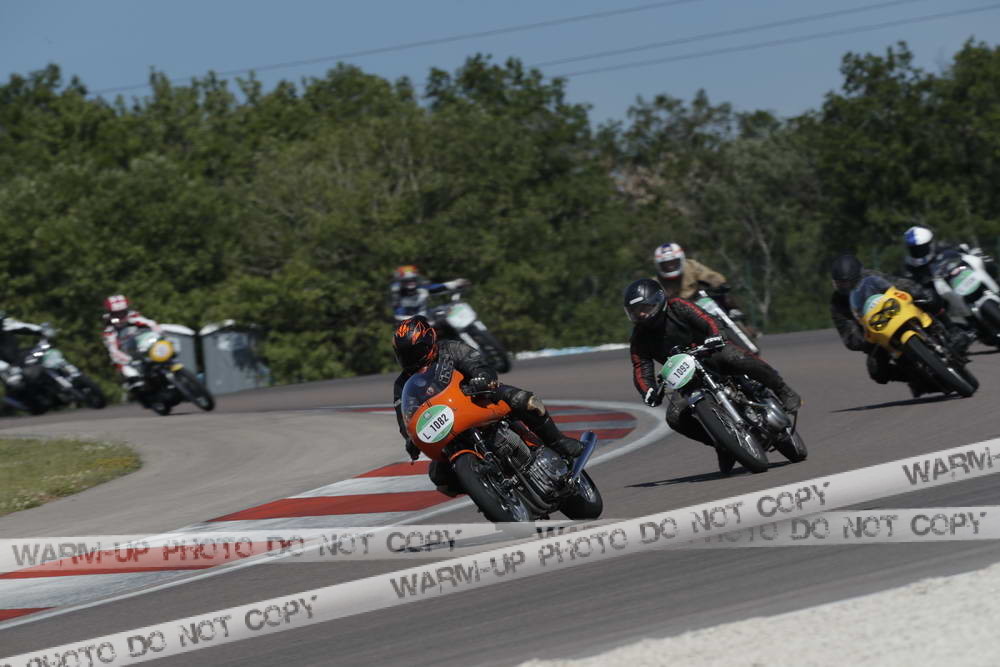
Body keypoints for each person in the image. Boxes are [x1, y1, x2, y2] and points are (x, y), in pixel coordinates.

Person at [624, 278, 800, 474]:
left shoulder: (678, 306)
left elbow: (707, 319)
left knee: (738, 358)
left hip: (710, 353)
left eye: (645, 308)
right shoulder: (638, 338)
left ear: (658, 300)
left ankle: (782, 390)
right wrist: (648, 391)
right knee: (675, 417)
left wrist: (715, 335)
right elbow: (640, 367)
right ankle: (721, 443)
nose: (641, 314)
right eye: (635, 311)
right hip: (686, 377)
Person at [392, 315, 582, 495]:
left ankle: (558, 441)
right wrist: (410, 438)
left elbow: (476, 363)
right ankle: (489, 491)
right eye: (404, 355)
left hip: (477, 397)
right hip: (445, 424)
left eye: (415, 352)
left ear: (430, 341)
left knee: (523, 400)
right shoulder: (402, 384)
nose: (411, 359)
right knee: (439, 478)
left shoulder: (450, 348)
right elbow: (404, 418)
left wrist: (482, 377)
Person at [829, 254, 943, 397]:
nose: (843, 287)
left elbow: (898, 283)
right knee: (876, 371)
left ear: (857, 277)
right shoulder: (837, 303)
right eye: (840, 283)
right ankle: (914, 379)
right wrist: (865, 339)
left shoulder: (870, 276)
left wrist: (916, 291)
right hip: (876, 334)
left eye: (846, 283)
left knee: (930, 299)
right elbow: (848, 336)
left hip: (896, 310)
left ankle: (951, 330)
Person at [101, 294, 162, 393]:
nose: (120, 316)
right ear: (111, 314)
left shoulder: (133, 317)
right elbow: (113, 350)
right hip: (129, 358)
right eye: (117, 314)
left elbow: (151, 324)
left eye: (122, 312)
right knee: (131, 375)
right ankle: (137, 385)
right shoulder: (109, 330)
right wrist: (127, 360)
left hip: (146, 349)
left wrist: (159, 333)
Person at [389, 265, 470, 322]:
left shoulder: (422, 288)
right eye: (407, 280)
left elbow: (439, 287)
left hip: (429, 317)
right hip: (413, 327)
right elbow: (399, 315)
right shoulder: (397, 296)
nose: (411, 283)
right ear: (401, 281)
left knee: (451, 309)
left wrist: (456, 284)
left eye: (413, 279)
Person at [0, 311, 50, 392]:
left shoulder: (6, 324)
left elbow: (22, 326)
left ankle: (69, 374)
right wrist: (7, 367)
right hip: (9, 370)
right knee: (16, 384)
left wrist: (41, 330)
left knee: (48, 353)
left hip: (22, 358)